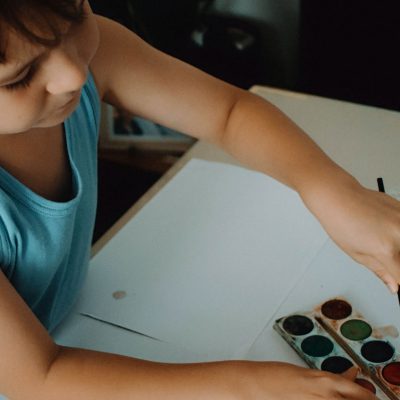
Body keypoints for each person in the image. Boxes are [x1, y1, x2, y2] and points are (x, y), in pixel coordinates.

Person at [0, 1, 398, 399]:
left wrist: (333, 191)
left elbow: (230, 112)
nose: (72, 73)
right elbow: (37, 379)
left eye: (76, 16)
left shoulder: (90, 55)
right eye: (19, 76)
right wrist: (248, 386)